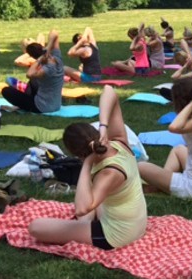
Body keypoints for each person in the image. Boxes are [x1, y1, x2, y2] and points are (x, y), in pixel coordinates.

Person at [28, 85, 147, 250]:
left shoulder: (108, 173)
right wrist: (104, 127)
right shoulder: (119, 142)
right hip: (135, 221)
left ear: (77, 154)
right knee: (93, 200)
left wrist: (86, 165)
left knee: (36, 227)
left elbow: (82, 209)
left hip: (119, 234)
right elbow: (109, 90)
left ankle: (84, 227)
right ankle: (84, 226)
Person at [138, 62, 192, 200]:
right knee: (178, 149)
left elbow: (173, 127)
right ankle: (162, 183)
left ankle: (160, 185)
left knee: (140, 166)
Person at [1, 30, 63, 114]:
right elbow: (54, 32)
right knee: (33, 82)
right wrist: (48, 48)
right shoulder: (56, 57)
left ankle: (19, 107)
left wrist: (39, 59)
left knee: (6, 91)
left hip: (42, 107)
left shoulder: (47, 68)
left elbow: (29, 74)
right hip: (56, 105)